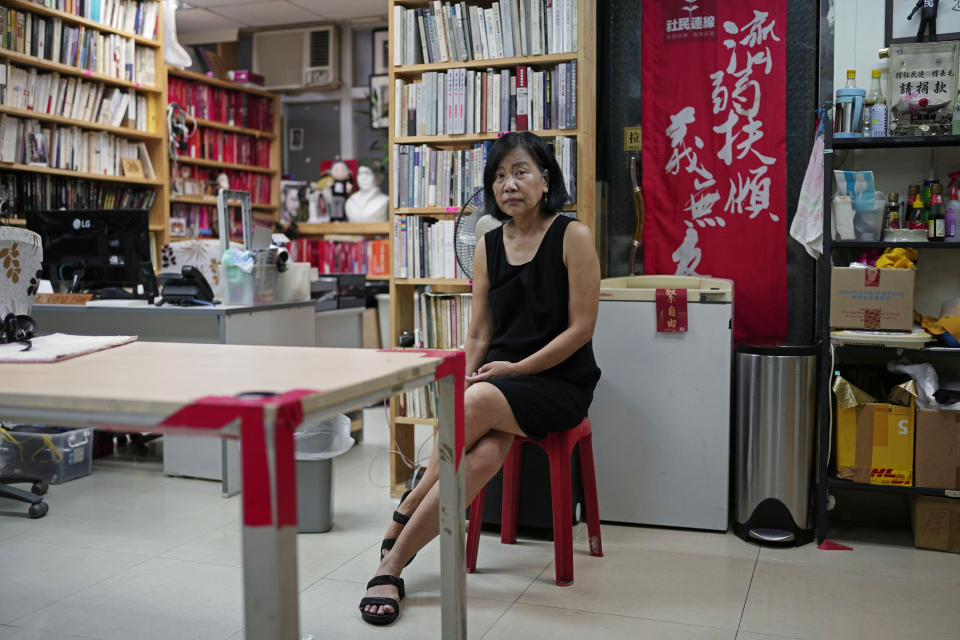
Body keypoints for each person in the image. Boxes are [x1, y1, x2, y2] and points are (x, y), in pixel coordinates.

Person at [359, 131, 601, 626]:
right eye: (499, 175)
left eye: (520, 171)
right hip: (499, 378)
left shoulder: (573, 235)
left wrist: (514, 370)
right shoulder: (489, 244)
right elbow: (480, 330)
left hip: (559, 380)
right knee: (481, 454)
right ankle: (394, 563)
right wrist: (466, 375)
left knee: (474, 405)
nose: (509, 183)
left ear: (545, 179)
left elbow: (581, 330)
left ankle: (405, 513)